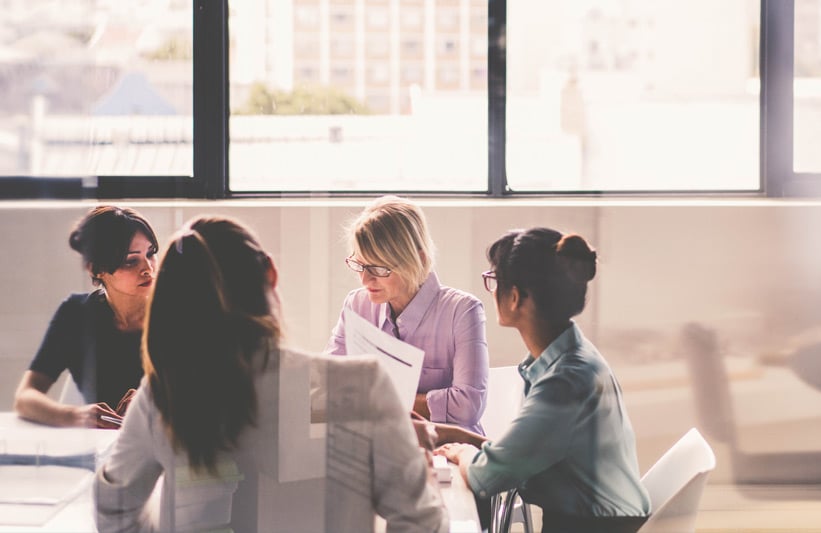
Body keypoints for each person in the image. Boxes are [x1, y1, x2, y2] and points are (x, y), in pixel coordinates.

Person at [94, 216, 447, 532]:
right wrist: (421, 474)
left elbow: (114, 511)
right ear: (272, 274)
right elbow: (421, 523)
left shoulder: (162, 397)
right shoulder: (363, 385)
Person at [436, 228, 650, 533]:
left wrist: (459, 452)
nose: (491, 289)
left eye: (494, 280)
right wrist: (454, 436)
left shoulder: (564, 381)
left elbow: (487, 477)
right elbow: (521, 454)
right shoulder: (570, 359)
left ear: (516, 297)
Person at [323, 196, 489, 433]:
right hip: (377, 442)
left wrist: (376, 398)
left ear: (418, 259)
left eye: (379, 269)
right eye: (359, 265)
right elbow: (329, 382)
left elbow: (467, 406)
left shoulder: (462, 311)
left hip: (448, 447)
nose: (365, 279)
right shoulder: (357, 304)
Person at [14, 205, 158, 428]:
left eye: (150, 253)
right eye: (131, 260)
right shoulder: (76, 315)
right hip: (103, 447)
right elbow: (26, 397)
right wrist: (74, 416)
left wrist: (157, 404)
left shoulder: (175, 312)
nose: (148, 268)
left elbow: (215, 393)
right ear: (96, 270)